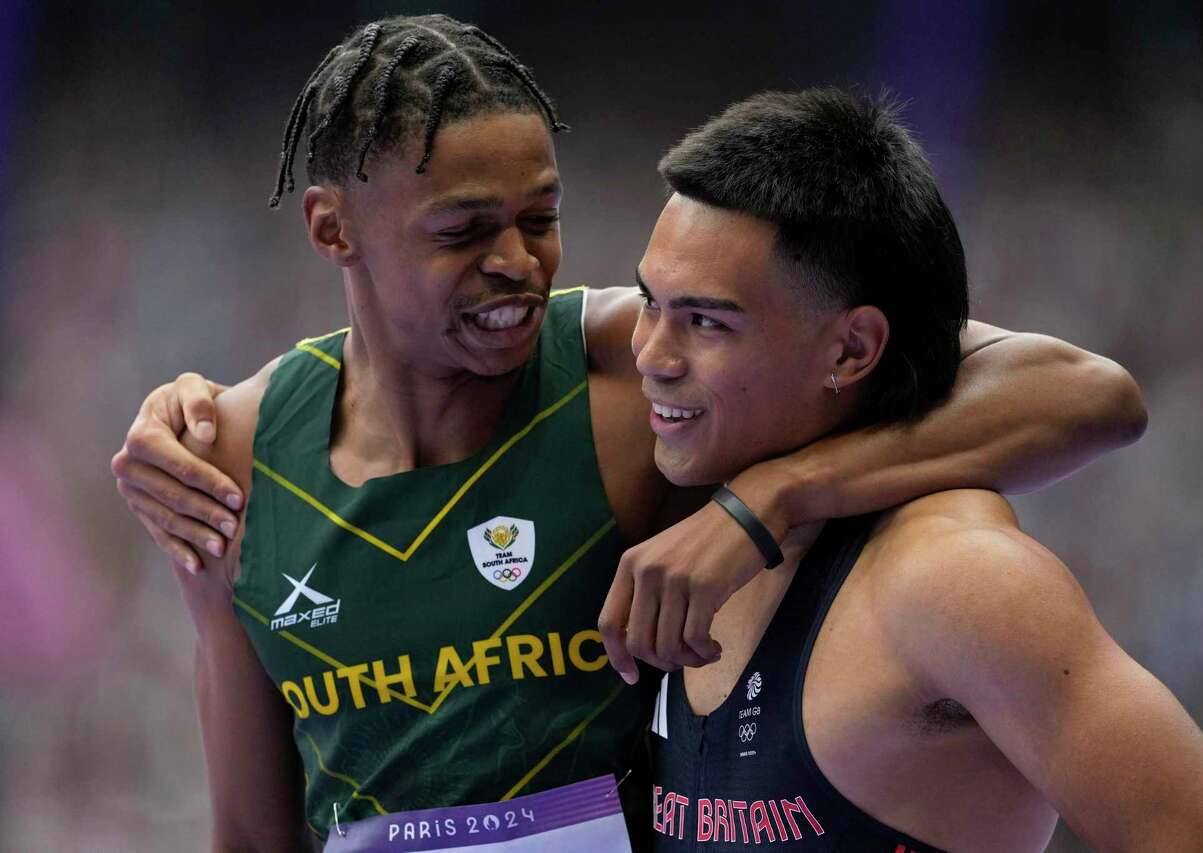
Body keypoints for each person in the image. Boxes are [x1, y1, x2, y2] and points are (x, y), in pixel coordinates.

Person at [109, 14, 1150, 851]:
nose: (519, 261)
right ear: (333, 228)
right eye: (464, 230)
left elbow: (1082, 392)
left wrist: (767, 499)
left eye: (540, 216)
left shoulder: (623, 366)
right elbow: (252, 830)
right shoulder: (232, 451)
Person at [637, 88, 1203, 851]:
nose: (650, 354)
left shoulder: (958, 580)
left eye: (705, 321)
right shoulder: (680, 501)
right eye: (649, 304)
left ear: (850, 350)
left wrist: (782, 488)